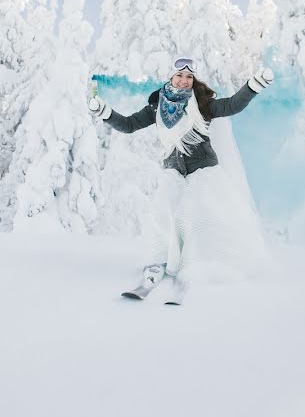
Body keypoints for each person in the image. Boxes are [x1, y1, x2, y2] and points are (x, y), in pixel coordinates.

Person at [89, 57, 275, 302]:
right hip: (173, 171)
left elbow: (231, 106)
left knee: (194, 216)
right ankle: (157, 263)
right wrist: (106, 112)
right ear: (170, 77)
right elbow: (129, 124)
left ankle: (195, 266)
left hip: (203, 170)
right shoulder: (157, 107)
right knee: (162, 213)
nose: (184, 81)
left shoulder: (204, 104)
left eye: (189, 77)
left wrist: (253, 86)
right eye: (180, 76)